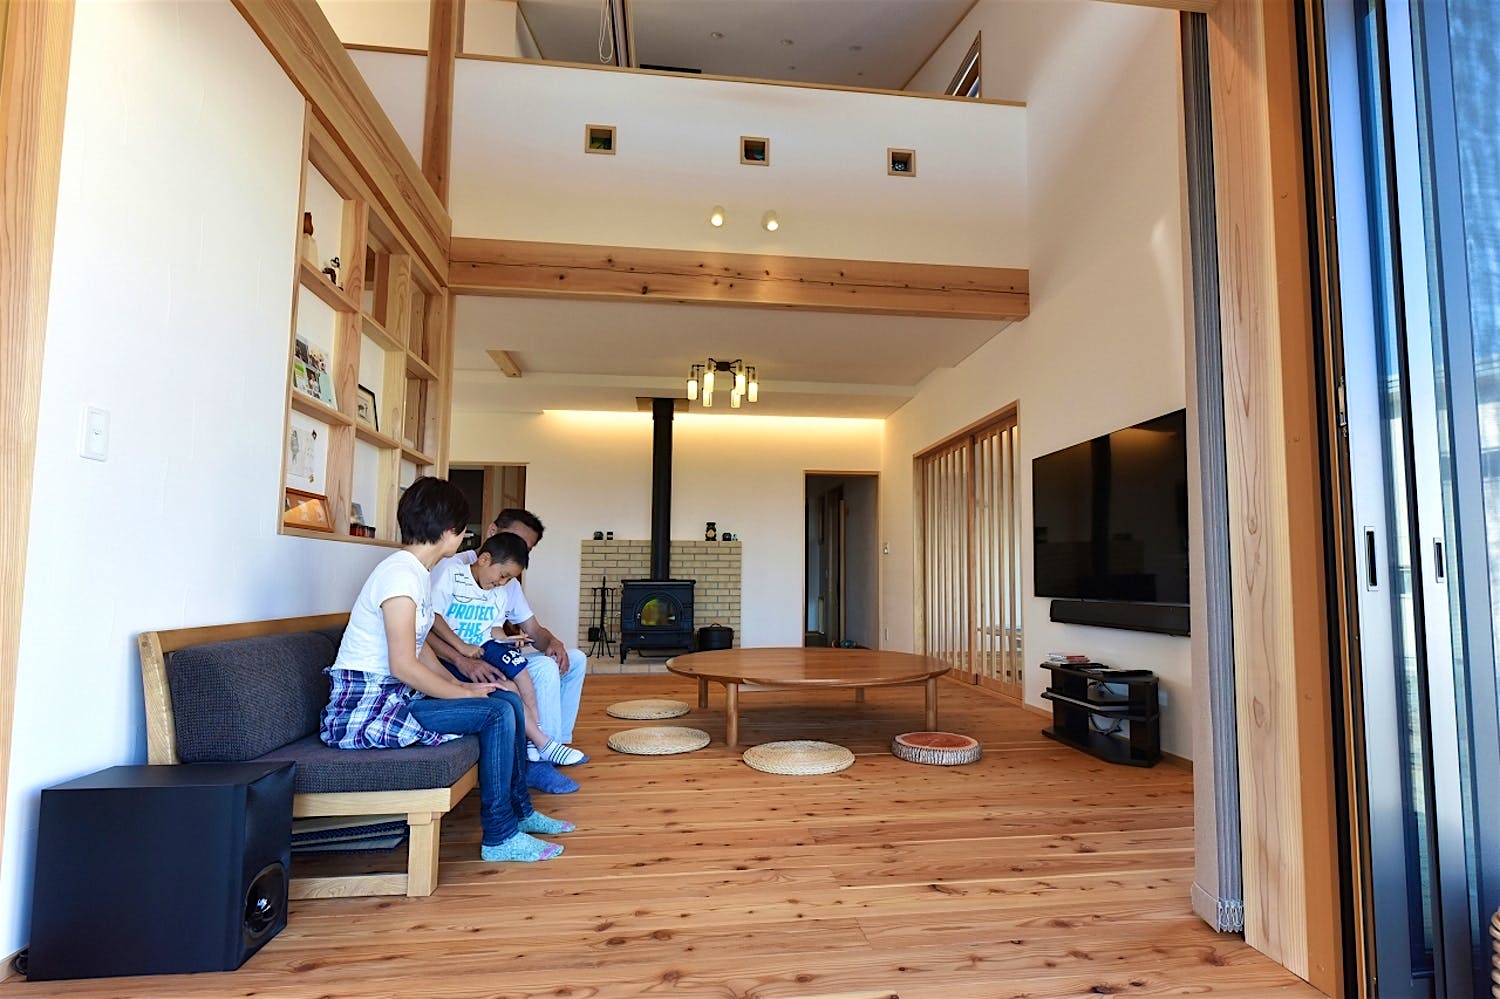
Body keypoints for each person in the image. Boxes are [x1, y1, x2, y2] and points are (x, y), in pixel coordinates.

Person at [319, 476, 573, 862]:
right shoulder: (400, 576)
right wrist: (463, 691)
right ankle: (500, 837)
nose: (465, 537)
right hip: (370, 707)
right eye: (463, 528)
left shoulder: (415, 575)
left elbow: (419, 649)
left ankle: (520, 813)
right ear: (450, 530)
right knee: (497, 712)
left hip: (398, 697)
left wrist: (463, 682)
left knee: (506, 699)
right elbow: (403, 665)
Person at [425, 531, 587, 786]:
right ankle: (542, 744)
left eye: (509, 578)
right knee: (511, 686)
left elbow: (495, 629)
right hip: (457, 650)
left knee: (524, 671)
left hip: (486, 645)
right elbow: (430, 618)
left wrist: (512, 640)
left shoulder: (500, 589)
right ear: (485, 559)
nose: (504, 582)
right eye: (503, 575)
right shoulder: (451, 573)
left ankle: (539, 736)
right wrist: (460, 648)